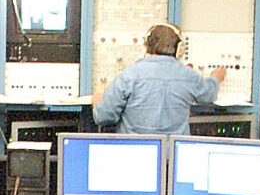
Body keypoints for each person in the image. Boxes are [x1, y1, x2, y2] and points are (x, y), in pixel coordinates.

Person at [92, 23, 226, 137]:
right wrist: (216, 78)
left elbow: (104, 117)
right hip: (173, 156)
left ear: (146, 45)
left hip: (135, 154)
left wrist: (97, 101)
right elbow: (208, 95)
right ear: (179, 49)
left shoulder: (129, 75)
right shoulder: (189, 76)